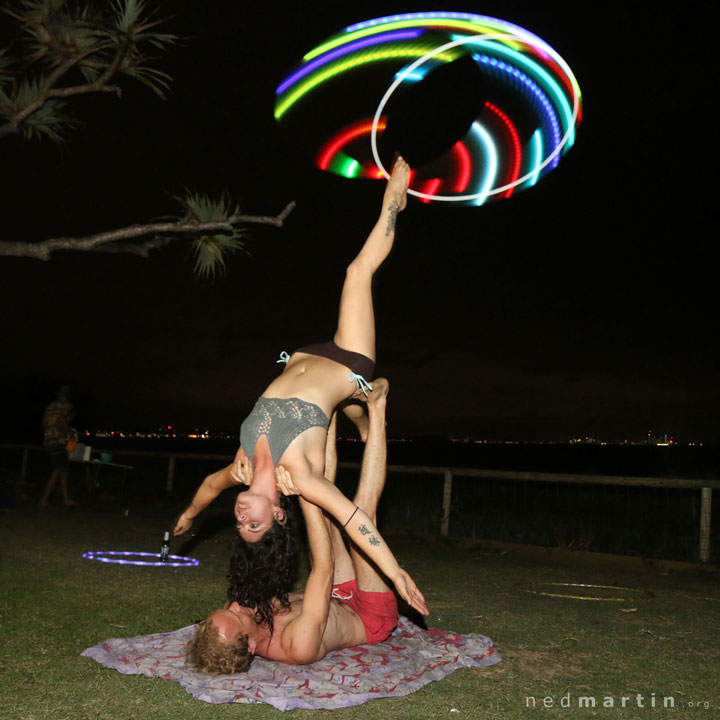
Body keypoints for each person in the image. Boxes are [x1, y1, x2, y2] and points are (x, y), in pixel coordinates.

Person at [174, 158, 425, 615]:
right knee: (356, 273)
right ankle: (394, 202)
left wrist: (189, 518)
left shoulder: (242, 468)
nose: (242, 519)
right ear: (277, 516)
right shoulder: (303, 481)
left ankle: (362, 408)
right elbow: (353, 519)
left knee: (343, 406)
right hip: (349, 360)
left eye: (239, 525)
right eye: (255, 527)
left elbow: (210, 486)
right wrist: (394, 572)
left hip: (306, 353)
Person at [186, 379, 423, 674]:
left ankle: (328, 411)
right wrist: (305, 496)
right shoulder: (296, 645)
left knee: (326, 507)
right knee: (361, 510)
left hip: (336, 594)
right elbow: (323, 567)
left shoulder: (241, 610)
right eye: (235, 615)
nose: (235, 605)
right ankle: (378, 406)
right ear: (249, 646)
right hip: (367, 616)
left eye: (226, 608)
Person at [39, 385, 77, 508]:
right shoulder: (66, 406)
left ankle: (66, 498)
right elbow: (63, 421)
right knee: (57, 470)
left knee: (64, 469)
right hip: (58, 441)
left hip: (48, 440)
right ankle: (44, 500)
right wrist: (70, 434)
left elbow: (43, 423)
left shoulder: (50, 406)